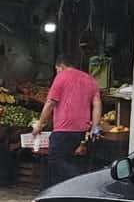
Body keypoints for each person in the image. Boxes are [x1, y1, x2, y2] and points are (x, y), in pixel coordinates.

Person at [30, 50, 102, 188]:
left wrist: (39, 124)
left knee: (55, 161)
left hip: (64, 130)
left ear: (61, 66)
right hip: (82, 131)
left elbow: (50, 103)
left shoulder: (61, 77)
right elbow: (97, 104)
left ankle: (80, 182)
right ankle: (69, 192)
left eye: (56, 70)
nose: (57, 73)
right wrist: (95, 128)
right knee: (68, 161)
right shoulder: (90, 79)